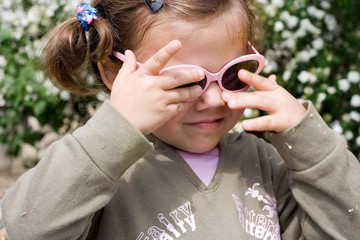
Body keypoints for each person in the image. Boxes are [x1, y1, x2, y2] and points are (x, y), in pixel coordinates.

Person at [1, 0, 359, 239]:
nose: (215, 99)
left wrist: (311, 143)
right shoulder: (100, 171)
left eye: (234, 73)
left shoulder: (266, 165)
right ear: (114, 75)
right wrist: (113, 131)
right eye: (186, 80)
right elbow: (27, 227)